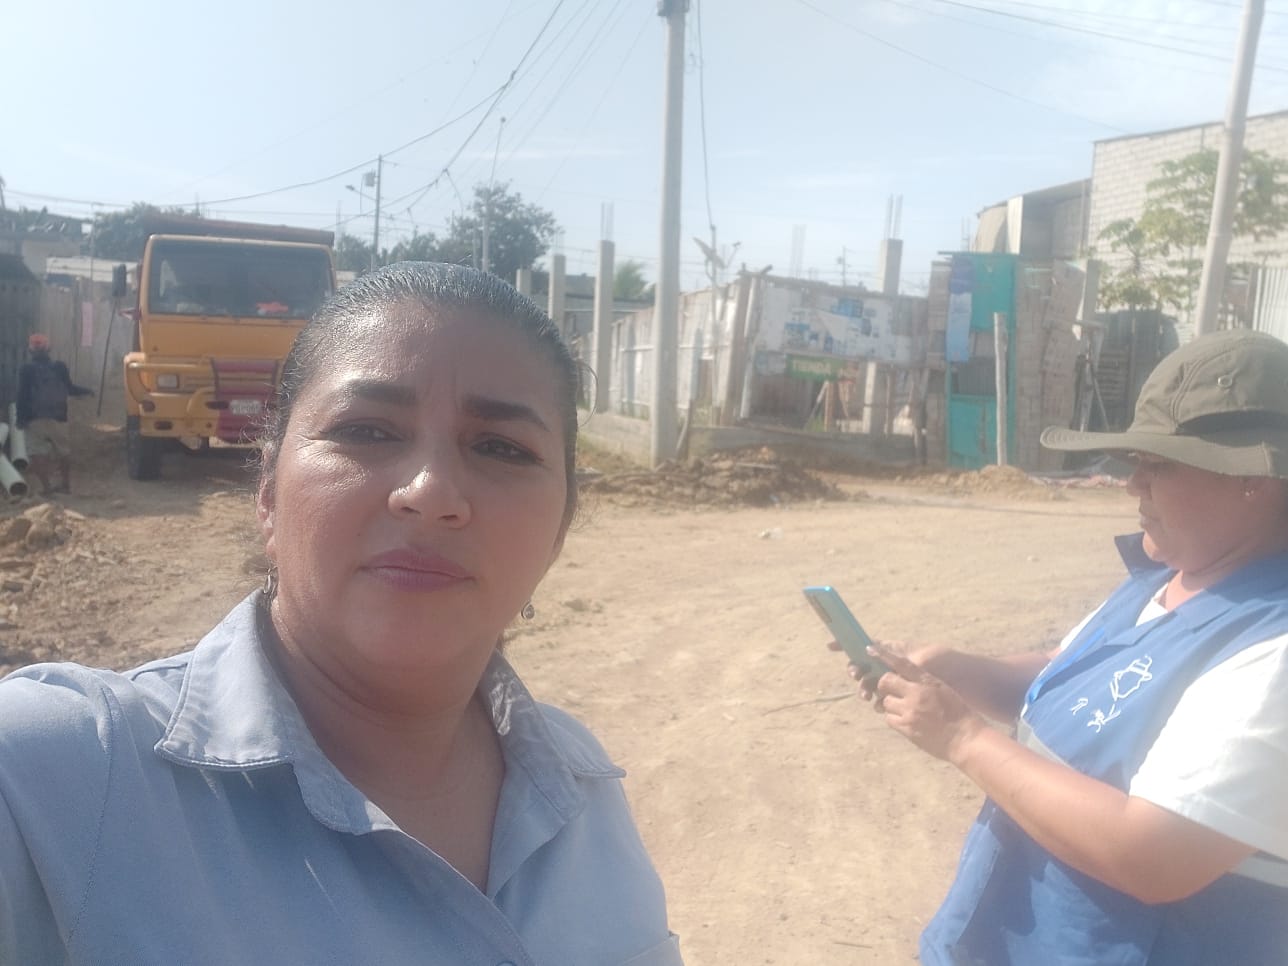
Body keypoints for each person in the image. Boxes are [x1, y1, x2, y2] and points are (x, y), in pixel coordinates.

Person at [0, 263, 682, 965]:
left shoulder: (582, 791)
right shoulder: (59, 780)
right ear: (268, 496)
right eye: (367, 430)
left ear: (560, 530)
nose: (431, 491)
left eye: (501, 447)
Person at [840, 328, 1288, 965]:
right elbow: (1079, 680)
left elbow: (1154, 855)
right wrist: (958, 672)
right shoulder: (1168, 578)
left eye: (1160, 464)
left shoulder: (1273, 648)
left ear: (1252, 479)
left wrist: (963, 737)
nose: (1132, 483)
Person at [14, 332, 93, 495]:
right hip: (59, 417)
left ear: (30, 350)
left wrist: (20, 419)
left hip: (34, 419)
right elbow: (70, 389)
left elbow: (22, 395)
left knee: (37, 453)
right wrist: (87, 391)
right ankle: (65, 485)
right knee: (63, 451)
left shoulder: (25, 370)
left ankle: (47, 489)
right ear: (49, 349)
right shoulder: (60, 367)